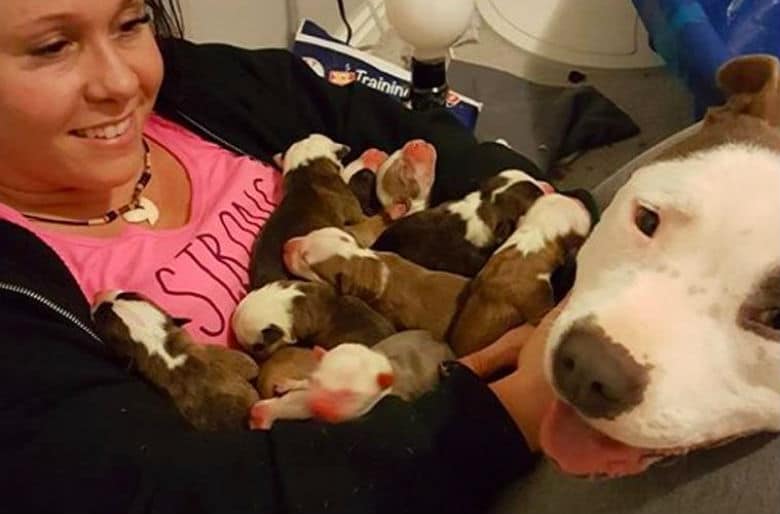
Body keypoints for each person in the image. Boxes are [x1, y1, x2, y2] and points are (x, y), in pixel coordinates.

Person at [0, 1, 590, 513]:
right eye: (53, 46)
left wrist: (545, 222)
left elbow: (419, 131)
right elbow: (184, 495)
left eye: (130, 22)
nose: (123, 83)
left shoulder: (203, 84)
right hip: (449, 459)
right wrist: (511, 410)